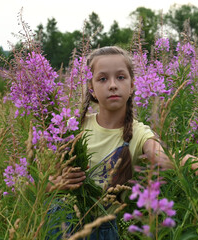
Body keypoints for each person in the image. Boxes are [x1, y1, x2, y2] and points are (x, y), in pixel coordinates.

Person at [48, 46, 173, 240]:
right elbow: (45, 183)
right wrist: (57, 183)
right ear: (92, 89)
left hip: (104, 228)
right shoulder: (72, 128)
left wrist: (191, 160)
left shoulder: (139, 133)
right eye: (103, 79)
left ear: (132, 86)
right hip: (64, 222)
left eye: (121, 77)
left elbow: (161, 158)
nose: (113, 85)